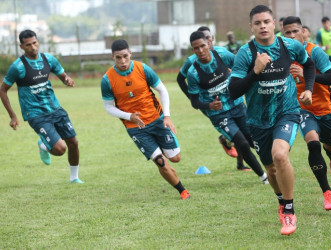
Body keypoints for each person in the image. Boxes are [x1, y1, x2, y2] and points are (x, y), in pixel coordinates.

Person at [228, 5, 316, 235]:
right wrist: (255, 71)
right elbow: (234, 91)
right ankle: (280, 199)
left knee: (280, 155)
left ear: (274, 23)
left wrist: (308, 89)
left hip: (287, 111)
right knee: (270, 168)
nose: (263, 26)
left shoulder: (290, 45)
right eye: (257, 23)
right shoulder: (245, 54)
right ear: (251, 27)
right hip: (257, 120)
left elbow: (309, 64)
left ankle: (289, 210)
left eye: (266, 22)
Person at [101, 39, 190, 200]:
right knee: (161, 162)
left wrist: (167, 116)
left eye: (125, 56)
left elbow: (162, 90)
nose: (122, 61)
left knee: (175, 158)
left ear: (130, 54)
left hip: (157, 120)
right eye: (118, 57)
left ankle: (160, 150)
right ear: (112, 57)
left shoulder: (142, 69)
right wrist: (129, 117)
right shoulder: (107, 79)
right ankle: (183, 191)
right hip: (135, 128)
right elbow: (108, 107)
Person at [0, 29, 83, 184]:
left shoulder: (49, 60)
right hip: (35, 114)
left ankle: (74, 178)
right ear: (22, 47)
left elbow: (62, 76)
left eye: (35, 43)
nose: (33, 47)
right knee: (60, 150)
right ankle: (44, 144)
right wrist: (12, 115)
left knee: (74, 143)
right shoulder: (17, 67)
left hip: (55, 108)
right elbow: (2, 89)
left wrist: (67, 80)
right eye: (28, 45)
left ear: (38, 41)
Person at [187, 31, 268, 184]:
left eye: (203, 46)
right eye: (196, 48)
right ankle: (264, 177)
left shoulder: (222, 55)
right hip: (219, 115)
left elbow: (242, 66)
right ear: (193, 50)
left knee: (253, 140)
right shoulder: (193, 73)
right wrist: (209, 105)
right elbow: (194, 102)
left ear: (208, 44)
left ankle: (272, 167)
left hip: (237, 105)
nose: (201, 50)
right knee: (242, 143)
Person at [283, 16, 331, 211]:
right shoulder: (283, 55)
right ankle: (326, 192)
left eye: (295, 31)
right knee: (313, 144)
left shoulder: (314, 52)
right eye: (287, 33)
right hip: (303, 110)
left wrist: (306, 75)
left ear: (303, 31)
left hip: (327, 110)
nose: (292, 36)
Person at [177, 26, 250, 171]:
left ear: (211, 39)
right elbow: (180, 79)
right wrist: (193, 99)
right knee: (237, 132)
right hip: (210, 103)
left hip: (231, 100)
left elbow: (239, 67)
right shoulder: (192, 62)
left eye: (208, 38)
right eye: (199, 44)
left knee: (243, 132)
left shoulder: (221, 54)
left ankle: (236, 157)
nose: (207, 43)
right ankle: (236, 156)